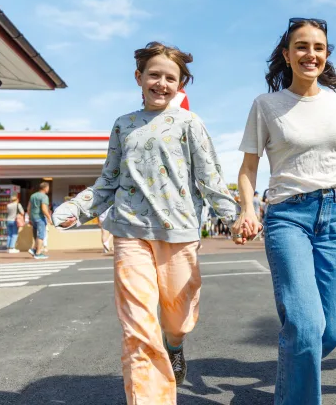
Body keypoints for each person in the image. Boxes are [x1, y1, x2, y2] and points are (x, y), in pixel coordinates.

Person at [51, 42, 239, 405]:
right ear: (139, 77)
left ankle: (175, 345)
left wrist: (232, 216)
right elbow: (109, 181)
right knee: (138, 329)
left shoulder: (190, 123)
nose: (161, 83)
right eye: (154, 74)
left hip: (179, 233)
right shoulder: (123, 125)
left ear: (181, 84)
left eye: (171, 77)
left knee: (177, 319)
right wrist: (79, 207)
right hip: (129, 232)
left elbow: (210, 177)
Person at [232, 18, 336, 405]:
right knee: (306, 325)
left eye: (318, 47)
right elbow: (248, 168)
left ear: (326, 53)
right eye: (301, 46)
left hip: (334, 214)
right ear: (286, 54)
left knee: (335, 327)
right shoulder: (266, 105)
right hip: (288, 217)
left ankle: (294, 374)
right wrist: (248, 209)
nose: (310, 53)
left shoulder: (334, 101)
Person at [27, 182, 53, 260]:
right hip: (40, 218)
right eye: (48, 187)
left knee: (36, 235)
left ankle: (34, 249)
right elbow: (44, 209)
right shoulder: (44, 197)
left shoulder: (33, 196)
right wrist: (49, 218)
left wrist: (30, 217)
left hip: (33, 217)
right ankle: (38, 253)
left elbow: (28, 208)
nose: (49, 189)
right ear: (45, 188)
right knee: (41, 235)